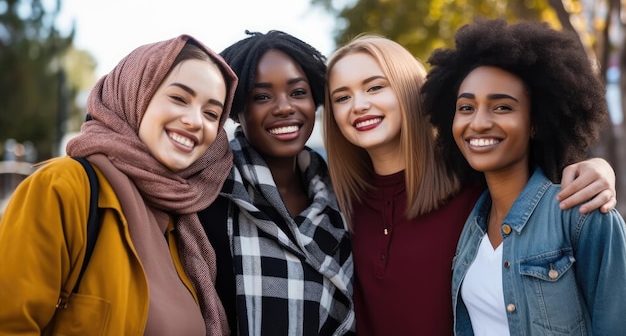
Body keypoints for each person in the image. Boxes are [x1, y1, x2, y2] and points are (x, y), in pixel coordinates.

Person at [322, 34, 617, 335]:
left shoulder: (473, 186)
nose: (358, 104)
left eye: (375, 87)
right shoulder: (335, 204)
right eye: (342, 97)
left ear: (409, 90)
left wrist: (599, 169)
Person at [0, 34, 238, 335]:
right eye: (179, 98)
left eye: (211, 114)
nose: (195, 121)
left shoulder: (187, 223)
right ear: (134, 93)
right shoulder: (63, 188)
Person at [423, 17, 626, 335]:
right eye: (466, 108)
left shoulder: (582, 215)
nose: (478, 123)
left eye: (502, 107)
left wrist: (602, 167)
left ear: (535, 123)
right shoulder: (470, 227)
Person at [199, 30, 355, 336]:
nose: (284, 107)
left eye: (298, 93)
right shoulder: (208, 194)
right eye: (261, 96)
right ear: (237, 110)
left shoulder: (341, 195)